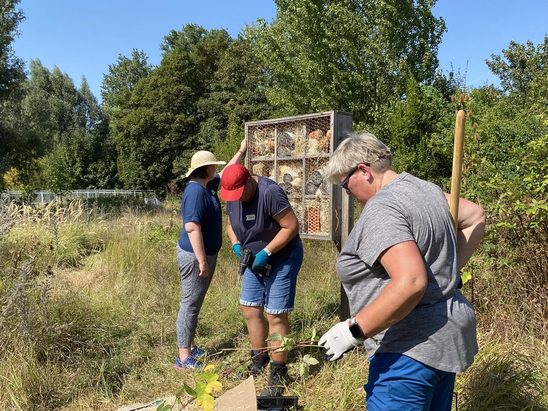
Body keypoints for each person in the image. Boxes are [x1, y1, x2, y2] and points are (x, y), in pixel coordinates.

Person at [318, 133, 486, 410]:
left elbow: (411, 281)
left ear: (363, 171)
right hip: (444, 336)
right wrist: (446, 271)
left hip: (408, 348)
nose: (347, 192)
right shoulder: (425, 189)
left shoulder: (382, 209)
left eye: (346, 185)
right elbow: (475, 215)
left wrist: (354, 330)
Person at [220, 163, 303, 396]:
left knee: (275, 313)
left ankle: (278, 372)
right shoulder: (234, 193)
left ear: (248, 181)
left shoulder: (270, 193)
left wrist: (267, 252)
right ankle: (258, 359)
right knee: (250, 308)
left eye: (239, 192)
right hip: (252, 258)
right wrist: (236, 244)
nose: (236, 198)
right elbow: (230, 224)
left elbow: (291, 226)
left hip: (283, 257)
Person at [175, 140, 247, 369]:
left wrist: (241, 150)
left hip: (204, 254)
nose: (216, 168)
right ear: (204, 169)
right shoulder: (196, 192)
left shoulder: (206, 185)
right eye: (212, 166)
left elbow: (226, 173)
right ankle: (184, 356)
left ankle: (190, 345)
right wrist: (202, 260)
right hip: (195, 256)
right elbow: (192, 227)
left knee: (195, 302)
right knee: (190, 304)